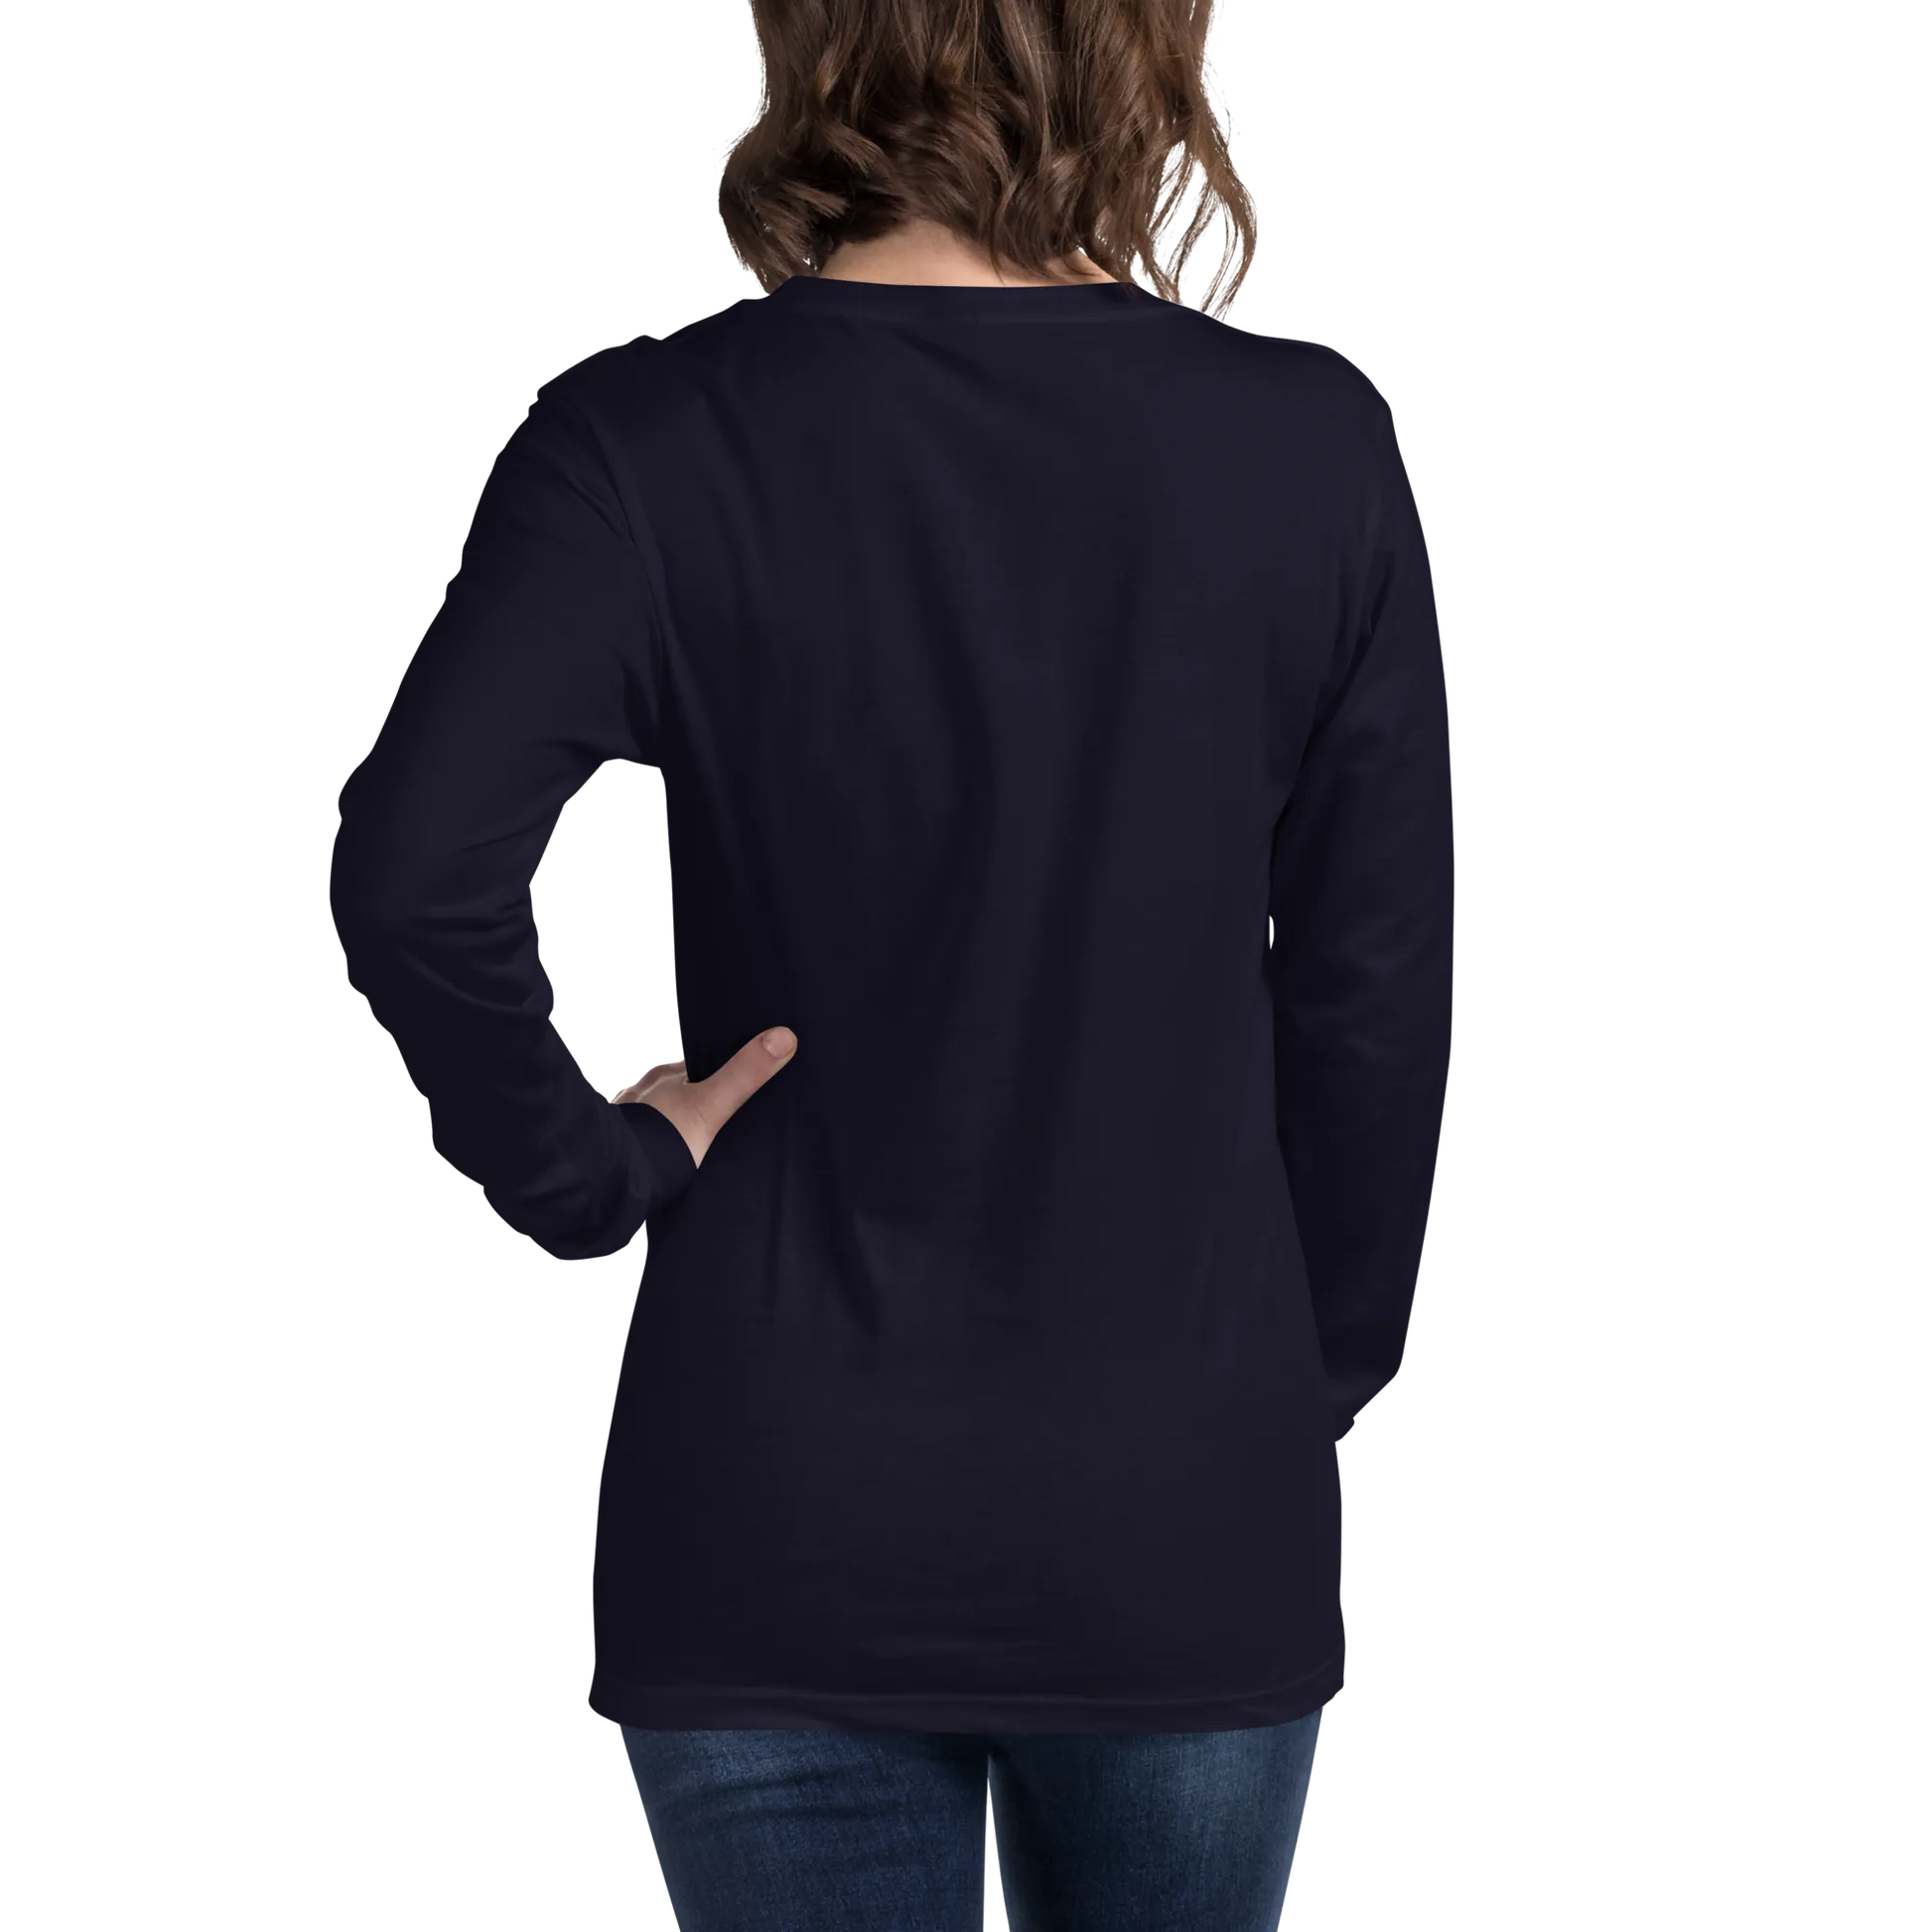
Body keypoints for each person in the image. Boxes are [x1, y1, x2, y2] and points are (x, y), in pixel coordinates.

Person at [325, 1, 1454, 1925]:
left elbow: (415, 876)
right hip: (1180, 1500)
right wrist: (1284, 1395)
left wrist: (591, 1170)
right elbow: (1371, 1000)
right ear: (1140, 45)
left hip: (767, 1505)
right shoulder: (1309, 441)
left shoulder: (648, 431)